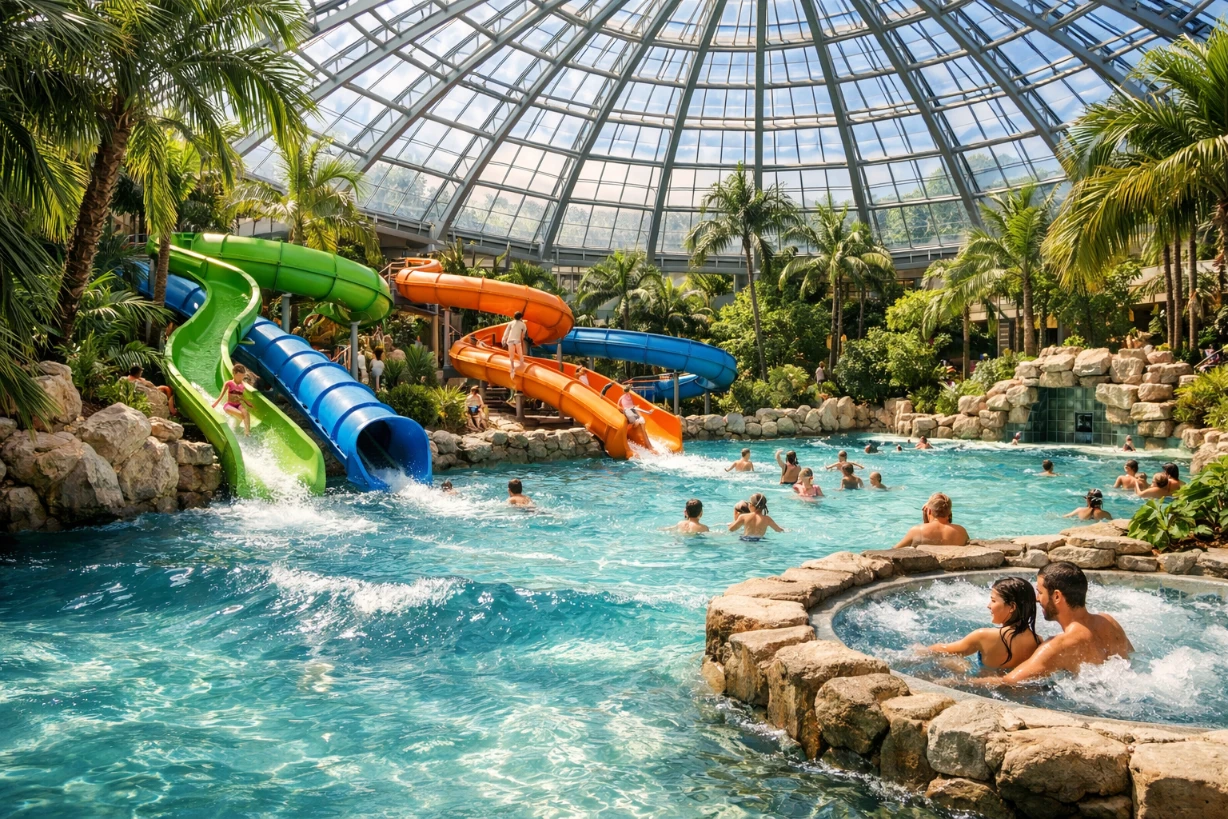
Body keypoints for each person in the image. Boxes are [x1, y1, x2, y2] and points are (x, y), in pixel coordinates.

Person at [978, 563, 1132, 686]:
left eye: (1040, 592)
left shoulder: (1058, 646)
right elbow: (1131, 662)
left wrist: (965, 682)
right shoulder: (1109, 622)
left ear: (1057, 596)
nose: (1037, 599)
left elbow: (1010, 682)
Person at [923, 577, 1042, 672]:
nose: (988, 605)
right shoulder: (1038, 641)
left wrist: (921, 650)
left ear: (1012, 607)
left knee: (956, 663)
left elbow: (944, 650)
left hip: (979, 687)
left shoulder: (984, 636)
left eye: (993, 601)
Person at [894, 492, 969, 548]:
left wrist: (925, 519)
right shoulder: (961, 531)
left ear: (929, 511)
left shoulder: (917, 531)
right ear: (949, 512)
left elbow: (893, 551)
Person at [211, 364, 253, 435]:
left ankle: (247, 433)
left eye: (242, 376)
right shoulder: (229, 383)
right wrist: (215, 404)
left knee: (246, 413)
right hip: (229, 405)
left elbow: (241, 396)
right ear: (234, 374)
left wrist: (247, 402)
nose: (240, 378)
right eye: (239, 376)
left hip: (238, 405)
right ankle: (236, 427)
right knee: (242, 415)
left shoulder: (243, 385)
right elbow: (221, 395)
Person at [504, 311, 528, 377]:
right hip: (517, 341)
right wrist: (522, 337)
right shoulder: (523, 324)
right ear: (520, 318)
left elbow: (506, 332)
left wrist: (504, 339)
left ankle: (512, 368)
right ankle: (522, 364)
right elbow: (524, 332)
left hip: (510, 340)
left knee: (511, 355)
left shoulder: (511, 323)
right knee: (520, 352)